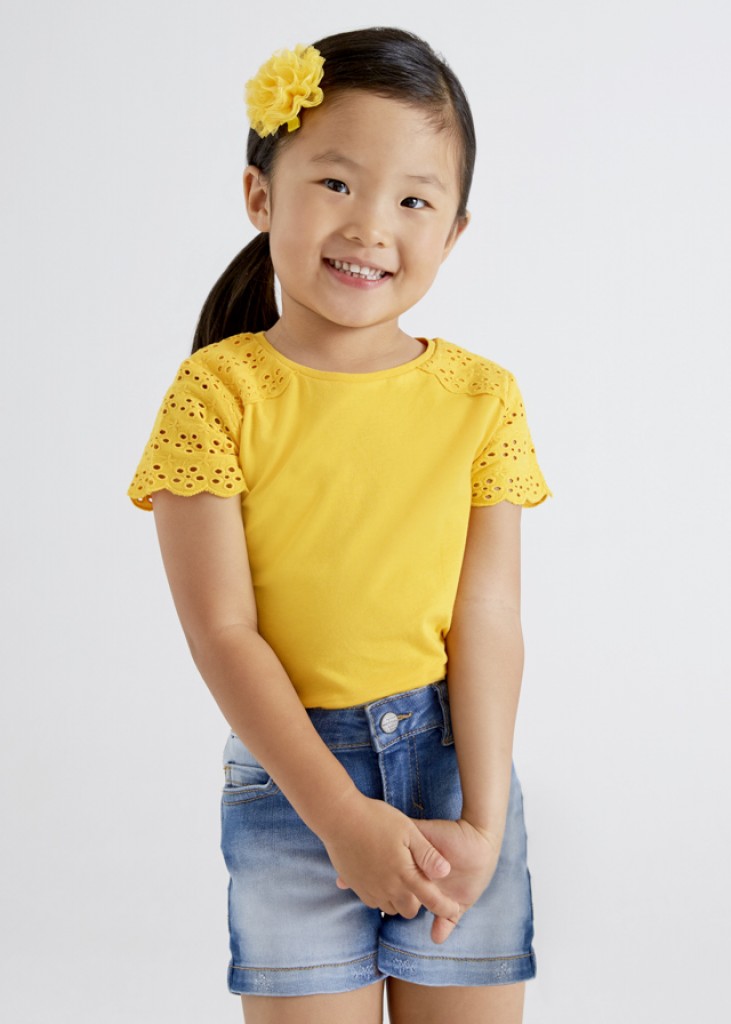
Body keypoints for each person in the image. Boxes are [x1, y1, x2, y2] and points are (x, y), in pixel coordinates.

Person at [127, 26, 553, 1024]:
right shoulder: (215, 393)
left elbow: (489, 616)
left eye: (412, 200)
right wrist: (338, 815)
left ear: (452, 233)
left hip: (457, 766)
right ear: (259, 195)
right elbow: (222, 631)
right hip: (292, 785)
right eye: (334, 183)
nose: (369, 226)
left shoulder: (482, 397)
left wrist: (483, 825)